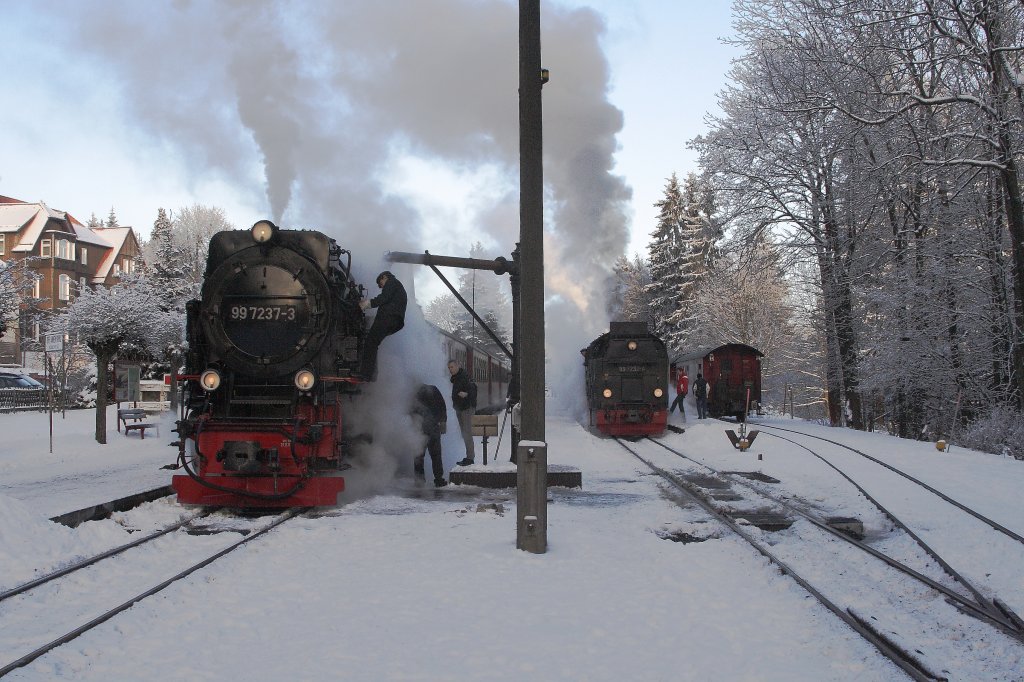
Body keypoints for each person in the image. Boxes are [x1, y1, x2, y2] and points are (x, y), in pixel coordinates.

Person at [357, 271, 407, 381]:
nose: (380, 287)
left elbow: (384, 297)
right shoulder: (398, 286)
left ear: (384, 277)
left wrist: (366, 304)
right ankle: (371, 374)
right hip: (394, 321)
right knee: (373, 343)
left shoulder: (392, 282)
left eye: (380, 283)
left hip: (388, 317)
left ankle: (366, 374)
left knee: (370, 342)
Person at [412, 384, 448, 487]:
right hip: (433, 426)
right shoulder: (433, 389)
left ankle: (419, 481)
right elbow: (442, 406)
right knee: (436, 455)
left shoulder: (411, 393)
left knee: (418, 455)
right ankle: (439, 479)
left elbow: (409, 411)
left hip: (419, 428)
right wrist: (443, 421)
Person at [448, 359, 477, 466]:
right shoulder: (456, 378)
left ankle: (470, 458)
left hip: (466, 408)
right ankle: (469, 456)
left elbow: (473, 389)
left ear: (457, 366)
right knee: (464, 434)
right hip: (460, 408)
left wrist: (467, 394)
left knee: (467, 433)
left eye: (452, 367)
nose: (450, 370)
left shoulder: (464, 376)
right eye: (449, 368)